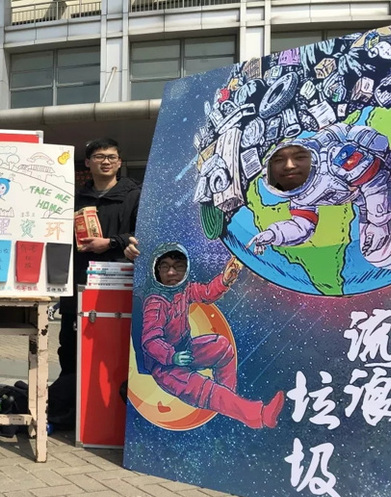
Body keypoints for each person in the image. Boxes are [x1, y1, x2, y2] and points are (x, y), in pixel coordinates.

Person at [140, 244, 284, 429]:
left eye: (178, 266)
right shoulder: (155, 303)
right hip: (165, 367)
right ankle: (260, 415)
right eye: (165, 267)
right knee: (203, 388)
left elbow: (206, 293)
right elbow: (150, 340)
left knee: (222, 347)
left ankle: (228, 402)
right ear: (156, 270)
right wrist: (172, 356)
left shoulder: (183, 289)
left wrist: (224, 280)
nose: (171, 272)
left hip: (185, 350)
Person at [249, 125, 391, 268]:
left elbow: (375, 179)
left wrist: (378, 222)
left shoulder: (335, 160)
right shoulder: (301, 196)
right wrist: (273, 234)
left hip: (381, 185)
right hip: (364, 200)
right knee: (379, 255)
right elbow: (302, 226)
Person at [59, 138, 140, 376]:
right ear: (87, 163)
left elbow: (144, 233)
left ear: (119, 162)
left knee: (115, 349)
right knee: (70, 348)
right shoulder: (74, 199)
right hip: (78, 284)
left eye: (111, 157)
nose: (106, 162)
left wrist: (111, 242)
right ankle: (70, 396)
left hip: (117, 285)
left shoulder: (134, 196)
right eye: (99, 157)